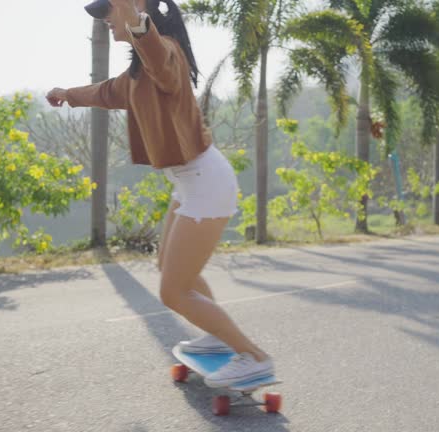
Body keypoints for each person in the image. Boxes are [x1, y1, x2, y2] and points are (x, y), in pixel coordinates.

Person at [46, 0, 274, 388]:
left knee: (173, 291)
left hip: (206, 182)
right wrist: (68, 93)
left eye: (108, 12)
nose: (104, 21)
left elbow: (151, 48)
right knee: (169, 268)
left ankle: (254, 357)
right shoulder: (138, 74)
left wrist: (132, 15)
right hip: (188, 183)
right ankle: (219, 334)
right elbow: (105, 93)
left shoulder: (164, 53)